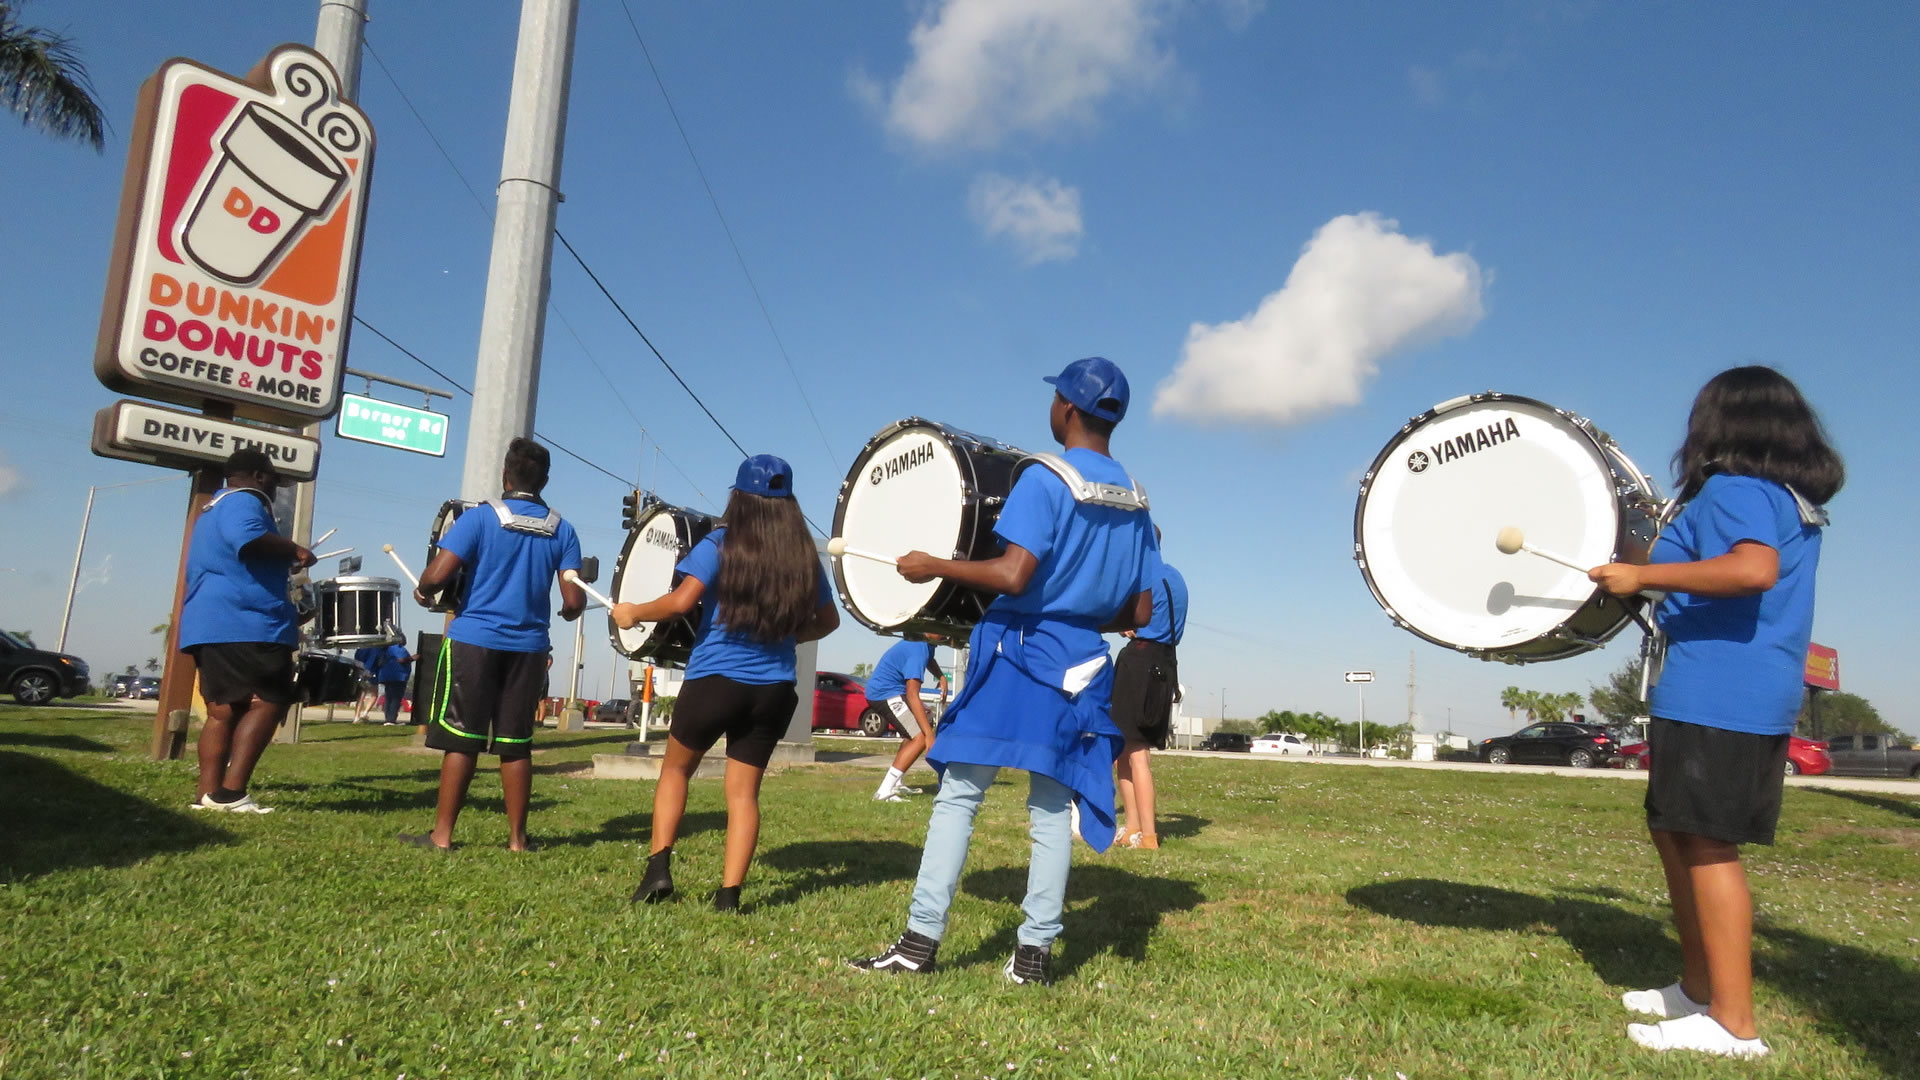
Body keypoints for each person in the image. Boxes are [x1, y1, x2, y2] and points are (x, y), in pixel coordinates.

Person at [851, 356, 1156, 986]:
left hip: (1019, 656)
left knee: (959, 797)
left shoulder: (1045, 479)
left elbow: (1014, 575)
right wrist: (1080, 604)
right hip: (1082, 666)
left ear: (1066, 408)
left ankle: (918, 944)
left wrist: (935, 565)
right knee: (1051, 812)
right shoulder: (1136, 499)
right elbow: (1139, 611)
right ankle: (1033, 955)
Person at [1588, 366, 1842, 1059]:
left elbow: (1751, 570)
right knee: (1678, 834)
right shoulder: (1783, 496)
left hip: (1722, 692)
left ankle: (1733, 1023)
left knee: (1705, 844)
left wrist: (1643, 575)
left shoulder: (1737, 488)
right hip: (1736, 688)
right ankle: (1698, 989)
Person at [612, 454, 839, 911]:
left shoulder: (720, 543)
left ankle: (658, 872)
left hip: (715, 679)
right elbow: (828, 621)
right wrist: (789, 636)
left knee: (676, 771)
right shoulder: (803, 559)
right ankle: (729, 896)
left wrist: (633, 611)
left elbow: (681, 603)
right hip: (774, 689)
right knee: (743, 794)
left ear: (739, 496)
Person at [401, 438, 585, 852]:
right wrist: (567, 611)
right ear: (545, 481)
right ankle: (518, 840)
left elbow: (437, 576)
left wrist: (423, 590)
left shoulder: (479, 518)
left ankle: (442, 836)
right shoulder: (563, 530)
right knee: (515, 744)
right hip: (529, 648)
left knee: (460, 738)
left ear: (505, 475)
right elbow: (573, 600)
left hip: (473, 642)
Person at [179, 448, 315, 814]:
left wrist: (280, 562)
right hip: (249, 622)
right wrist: (296, 550)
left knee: (223, 710)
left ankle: (207, 795)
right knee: (267, 701)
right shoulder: (245, 500)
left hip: (208, 623)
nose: (273, 488)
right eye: (272, 480)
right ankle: (232, 793)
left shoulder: (214, 507)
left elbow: (238, 553)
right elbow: (249, 537)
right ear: (258, 476)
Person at [1110, 531, 1187, 849]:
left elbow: (1118, 616)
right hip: (1165, 662)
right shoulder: (1176, 577)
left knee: (1133, 752)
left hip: (1139, 662)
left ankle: (1147, 834)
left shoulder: (1138, 577)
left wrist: (1124, 625)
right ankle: (1133, 829)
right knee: (1129, 751)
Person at [864, 633, 949, 802]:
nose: (946, 635)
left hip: (893, 691)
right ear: (928, 630)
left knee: (916, 730)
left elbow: (930, 660)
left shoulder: (926, 644)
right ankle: (883, 792)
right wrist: (929, 735)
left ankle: (896, 784)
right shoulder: (918, 650)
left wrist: (941, 676)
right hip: (884, 694)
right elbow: (912, 695)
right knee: (920, 737)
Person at [371, 641, 414, 725]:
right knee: (395, 698)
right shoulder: (396, 647)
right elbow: (401, 659)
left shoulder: (385, 648)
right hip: (397, 676)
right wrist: (412, 658)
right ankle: (391, 719)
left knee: (389, 698)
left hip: (386, 676)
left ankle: (388, 719)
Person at [351, 647, 380, 722]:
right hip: (371, 672)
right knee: (374, 694)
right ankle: (365, 713)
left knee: (361, 695)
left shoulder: (361, 648)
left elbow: (356, 658)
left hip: (360, 671)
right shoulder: (376, 648)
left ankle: (356, 716)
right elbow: (377, 659)